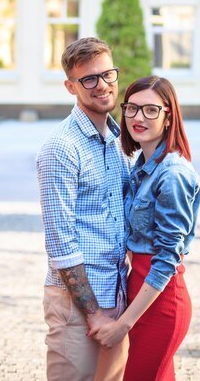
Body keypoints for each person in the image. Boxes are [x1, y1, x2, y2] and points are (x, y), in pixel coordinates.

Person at [89, 75, 200, 381]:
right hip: (140, 297)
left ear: (168, 116)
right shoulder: (141, 165)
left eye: (151, 110)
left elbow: (166, 259)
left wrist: (122, 324)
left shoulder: (173, 174)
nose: (138, 118)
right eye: (131, 109)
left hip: (162, 304)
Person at [36, 37, 129, 381]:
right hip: (78, 307)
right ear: (70, 86)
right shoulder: (60, 148)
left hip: (116, 297)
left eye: (107, 74)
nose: (102, 85)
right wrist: (94, 316)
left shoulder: (117, 140)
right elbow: (60, 243)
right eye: (89, 79)